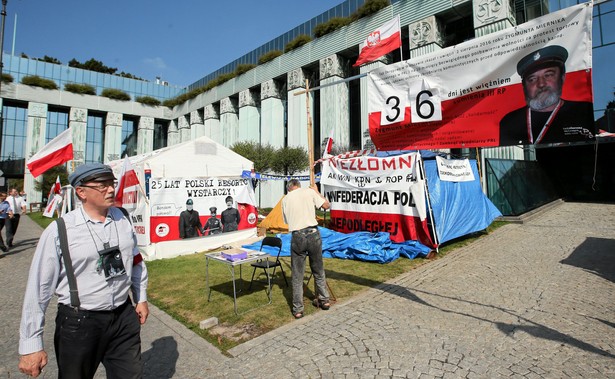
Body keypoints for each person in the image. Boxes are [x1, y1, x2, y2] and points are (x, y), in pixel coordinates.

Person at [18, 163, 149, 379]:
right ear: (81, 192)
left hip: (123, 316)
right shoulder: (60, 230)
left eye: (111, 184)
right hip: (80, 322)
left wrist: (140, 297)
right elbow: (38, 288)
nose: (110, 189)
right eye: (102, 185)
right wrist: (31, 344)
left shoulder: (122, 218)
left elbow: (135, 260)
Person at [499, 45, 595, 145]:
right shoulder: (509, 122)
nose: (541, 84)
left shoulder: (583, 111)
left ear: (562, 78)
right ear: (524, 86)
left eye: (548, 75)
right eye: (532, 79)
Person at [282, 179, 331, 319]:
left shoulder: (286, 199)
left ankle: (298, 309)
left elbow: (286, 221)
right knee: (318, 269)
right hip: (313, 233)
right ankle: (324, 300)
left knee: (297, 274)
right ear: (298, 185)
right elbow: (327, 205)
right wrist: (316, 191)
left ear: (289, 188)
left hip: (297, 235)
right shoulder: (309, 192)